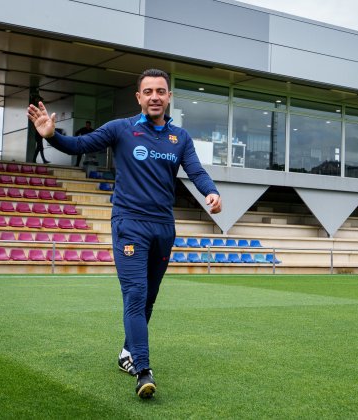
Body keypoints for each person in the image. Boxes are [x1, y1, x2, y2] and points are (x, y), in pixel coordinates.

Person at [27, 68, 222, 399]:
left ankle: (126, 354)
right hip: (129, 224)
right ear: (139, 97)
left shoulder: (180, 138)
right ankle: (142, 369)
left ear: (169, 97)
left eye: (161, 91)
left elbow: (196, 170)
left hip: (164, 228)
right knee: (134, 293)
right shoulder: (121, 129)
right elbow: (78, 144)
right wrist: (51, 135)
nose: (155, 97)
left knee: (148, 298)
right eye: (148, 92)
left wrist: (211, 191)